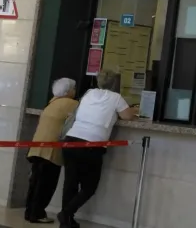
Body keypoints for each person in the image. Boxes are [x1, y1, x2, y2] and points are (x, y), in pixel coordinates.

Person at [58, 71, 137, 228]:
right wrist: (135, 110)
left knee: (70, 183)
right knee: (89, 187)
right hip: (92, 145)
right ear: (115, 84)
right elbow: (127, 116)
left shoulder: (89, 93)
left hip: (71, 140)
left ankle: (66, 220)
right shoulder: (116, 98)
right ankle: (66, 214)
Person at [24, 78, 78, 224]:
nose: (75, 91)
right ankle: (37, 214)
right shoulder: (71, 104)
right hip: (51, 151)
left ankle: (30, 212)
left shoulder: (52, 102)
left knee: (35, 182)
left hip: (37, 147)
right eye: (73, 88)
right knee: (46, 184)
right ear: (68, 91)